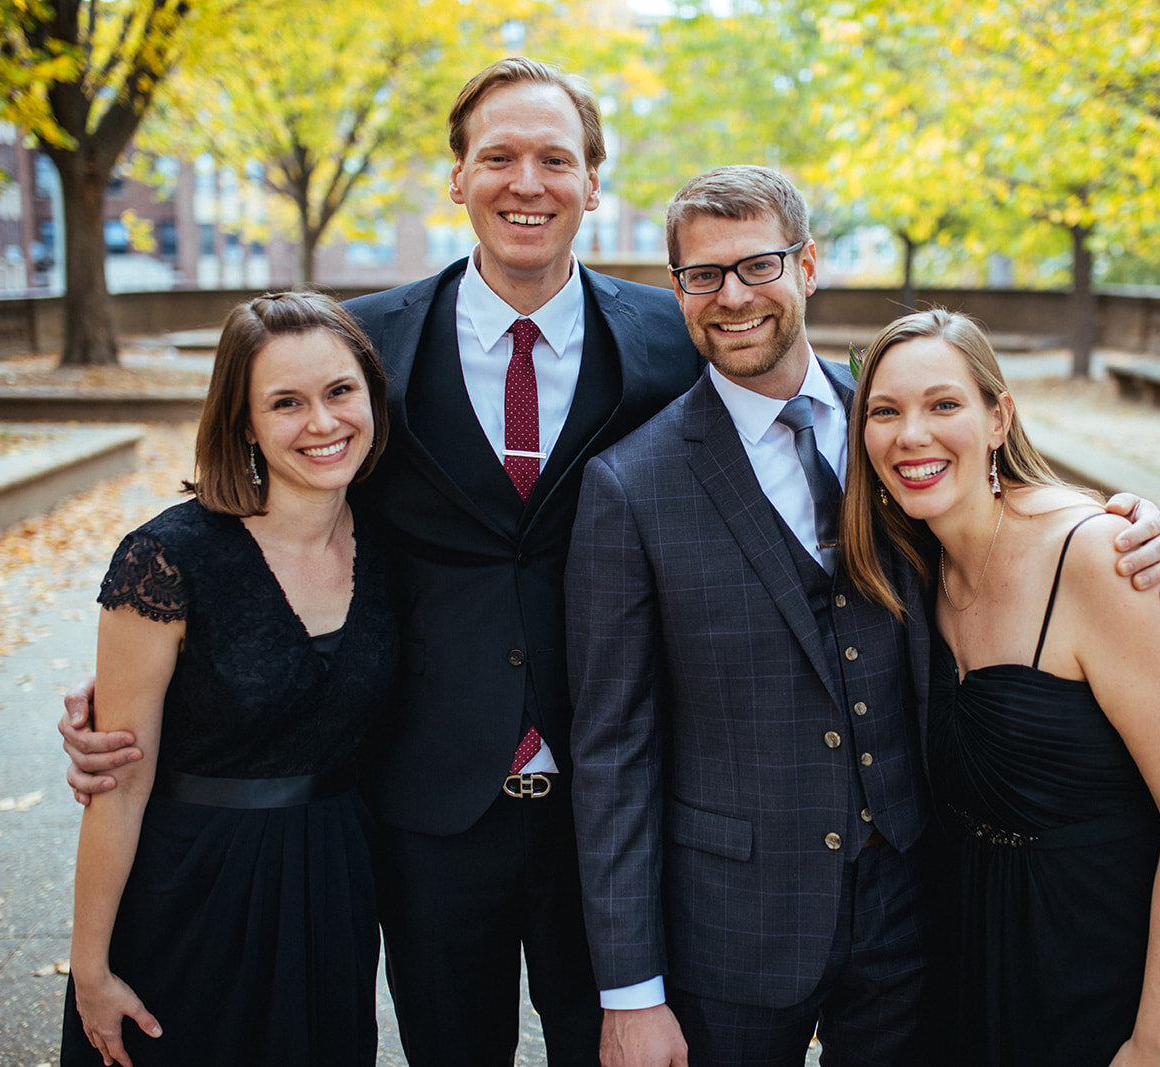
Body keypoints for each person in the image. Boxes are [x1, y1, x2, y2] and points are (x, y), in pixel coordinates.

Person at [61, 57, 702, 1066]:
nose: (524, 182)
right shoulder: (364, 343)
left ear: (592, 179)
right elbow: (268, 513)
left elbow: (780, 445)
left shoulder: (674, 339)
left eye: (553, 158)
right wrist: (154, 677)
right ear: (456, 177)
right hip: (423, 801)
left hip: (615, 798)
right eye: (497, 157)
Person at [564, 166, 1160, 1067]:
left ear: (809, 264)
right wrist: (631, 993)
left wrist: (1138, 525)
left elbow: (1019, 520)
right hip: (731, 933)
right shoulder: (629, 485)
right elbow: (611, 750)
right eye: (702, 275)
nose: (732, 295)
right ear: (679, 291)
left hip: (919, 912)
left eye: (758, 264)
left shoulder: (897, 430)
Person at [841, 309, 1160, 1064]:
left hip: (1105, 956)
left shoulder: (1099, 556)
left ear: (999, 417)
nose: (911, 435)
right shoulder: (911, 563)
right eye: (884, 411)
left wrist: (1157, 1042)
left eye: (944, 404)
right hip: (970, 952)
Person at [60, 291, 398, 1066]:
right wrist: (91, 968)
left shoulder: (391, 537)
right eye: (286, 402)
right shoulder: (167, 558)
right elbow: (119, 781)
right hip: (192, 887)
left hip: (332, 883)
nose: (323, 422)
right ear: (244, 422)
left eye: (340, 391)